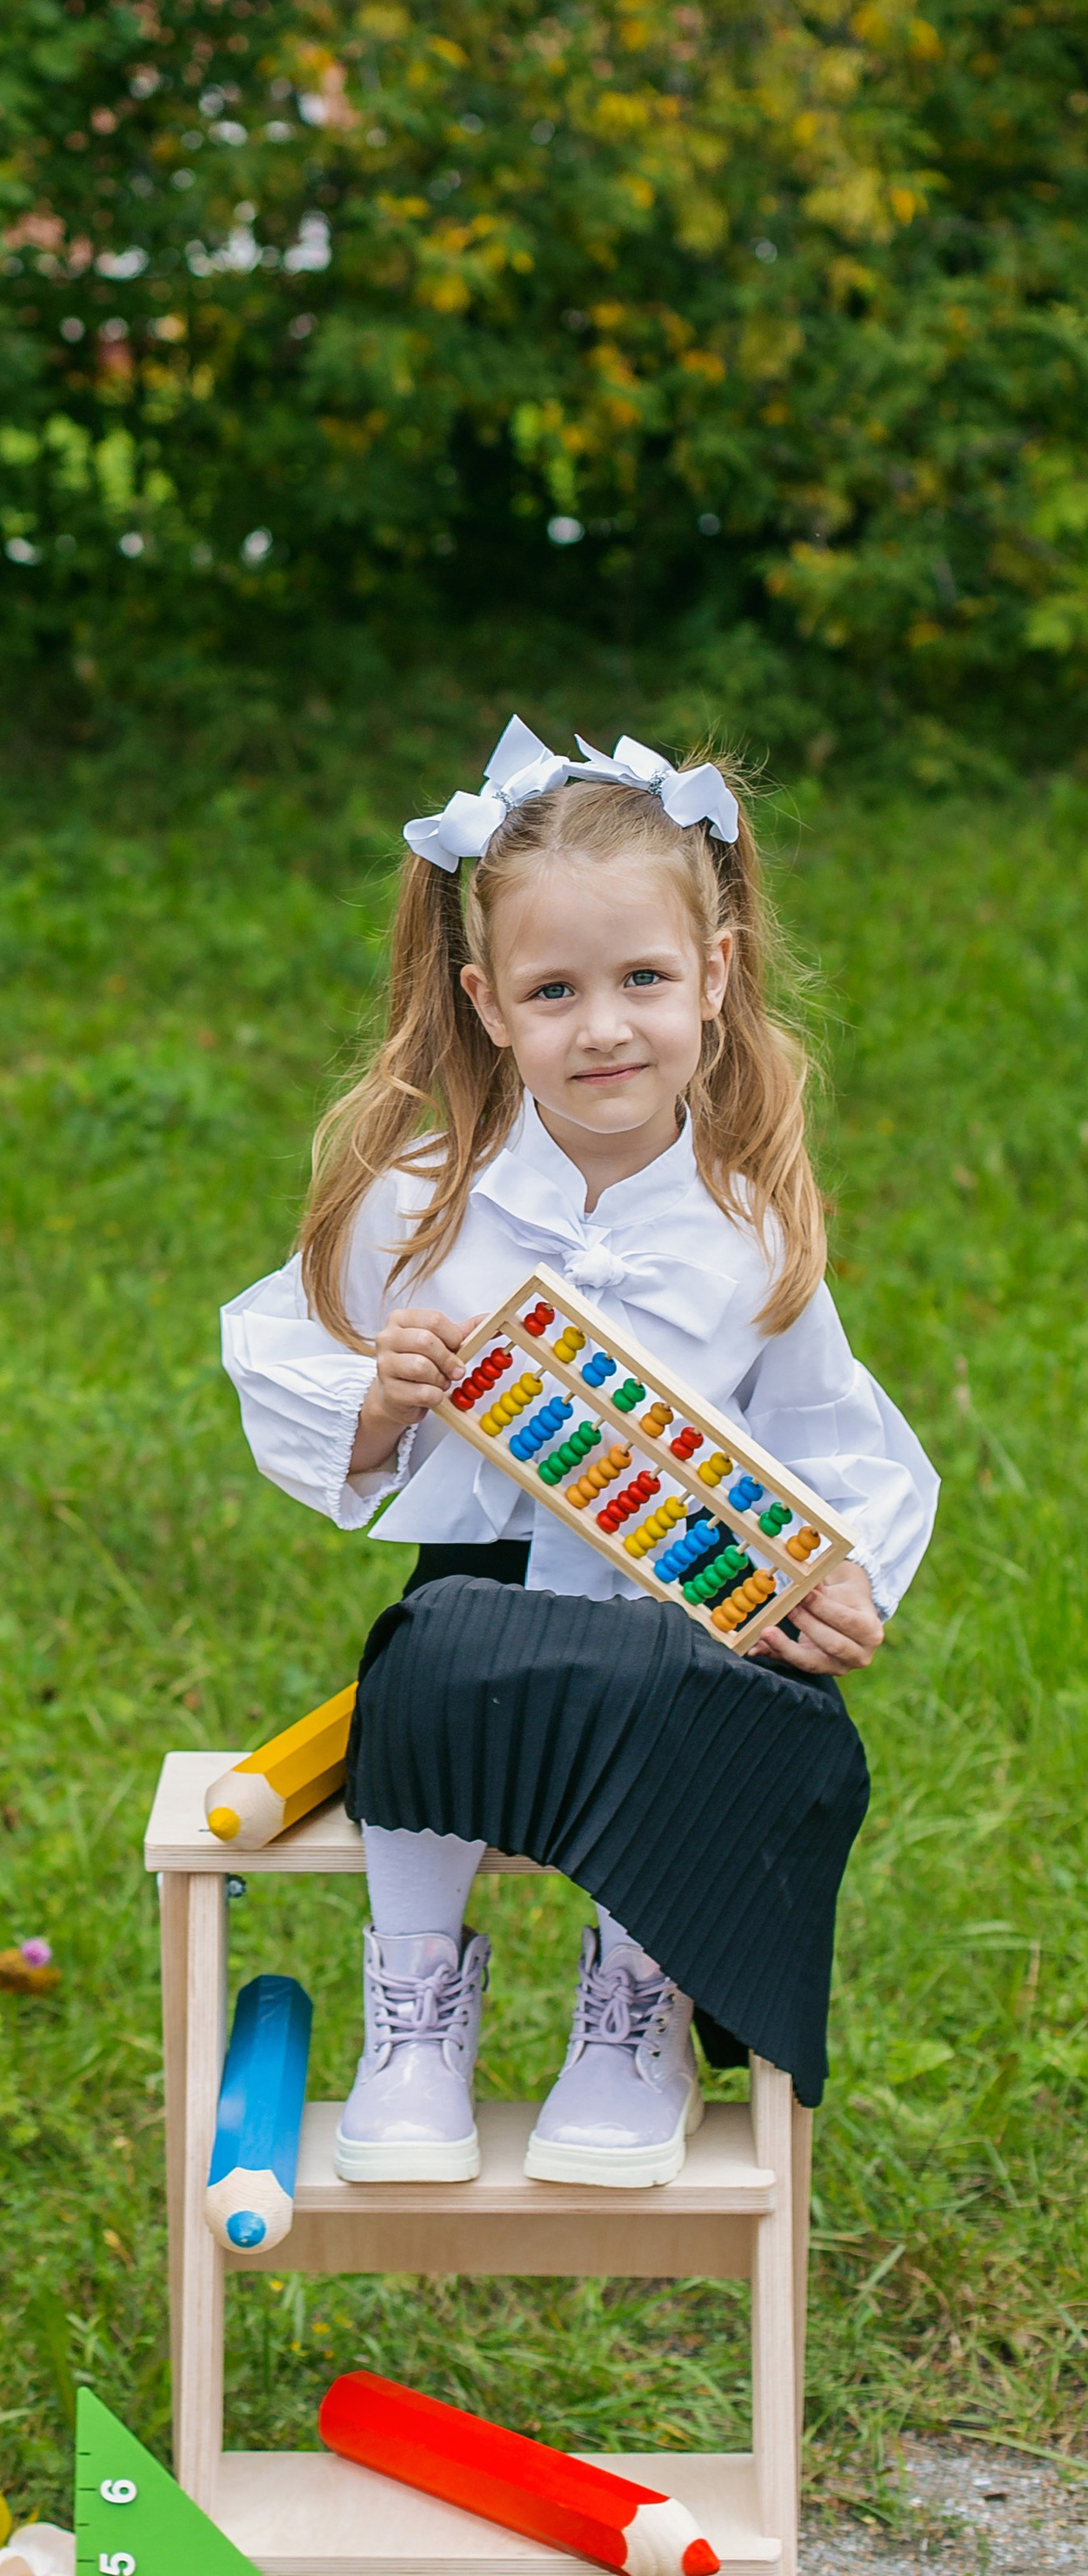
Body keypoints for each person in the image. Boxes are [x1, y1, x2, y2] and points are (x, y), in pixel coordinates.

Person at [218, 719, 938, 2189]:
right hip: (487, 1595)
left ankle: (634, 2013)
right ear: (488, 1005)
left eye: (643, 982)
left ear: (717, 977)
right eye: (555, 992)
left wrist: (845, 1577)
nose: (603, 1027)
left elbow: (834, 1436)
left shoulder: (747, 1230)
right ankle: (415, 2014)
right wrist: (381, 1398)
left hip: (679, 1609)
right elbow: (276, 1349)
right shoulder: (424, 1203)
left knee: (702, 1708)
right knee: (423, 1674)